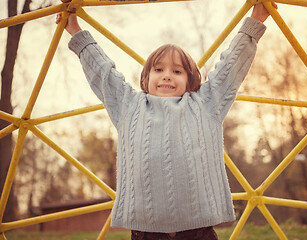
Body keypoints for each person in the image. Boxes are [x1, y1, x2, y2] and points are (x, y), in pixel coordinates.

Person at [56, 2, 276, 239]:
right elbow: (103, 73)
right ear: (146, 77)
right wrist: (77, 33)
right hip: (146, 232)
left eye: (177, 71)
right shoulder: (129, 105)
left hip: (197, 231)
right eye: (158, 70)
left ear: (191, 79)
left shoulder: (205, 104)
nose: (167, 76)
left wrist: (256, 20)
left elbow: (230, 67)